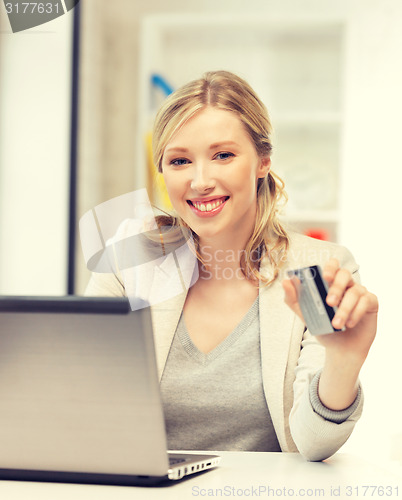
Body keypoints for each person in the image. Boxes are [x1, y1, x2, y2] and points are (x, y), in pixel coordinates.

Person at [85, 70, 378, 461]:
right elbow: (86, 403)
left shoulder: (316, 269)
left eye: (223, 155)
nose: (200, 181)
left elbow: (312, 444)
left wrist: (343, 362)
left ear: (262, 162)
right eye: (179, 160)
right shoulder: (131, 256)